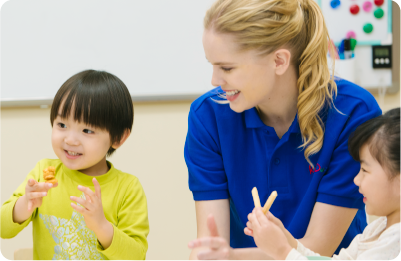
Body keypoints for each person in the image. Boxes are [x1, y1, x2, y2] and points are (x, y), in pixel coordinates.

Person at [185, 0, 382, 260]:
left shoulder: (353, 113)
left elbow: (315, 250)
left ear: (279, 61)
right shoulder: (208, 117)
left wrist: (231, 257)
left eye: (227, 68)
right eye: (212, 65)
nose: (215, 81)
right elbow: (212, 245)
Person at [0, 70, 149, 261]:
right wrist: (24, 205)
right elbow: (3, 228)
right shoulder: (42, 173)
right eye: (62, 125)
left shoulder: (128, 188)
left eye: (87, 130)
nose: (70, 139)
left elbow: (135, 256)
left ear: (119, 138)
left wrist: (101, 225)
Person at [245, 108, 401, 261]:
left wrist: (282, 251)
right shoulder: (379, 228)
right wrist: (286, 239)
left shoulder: (396, 241)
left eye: (365, 170)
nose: (356, 180)